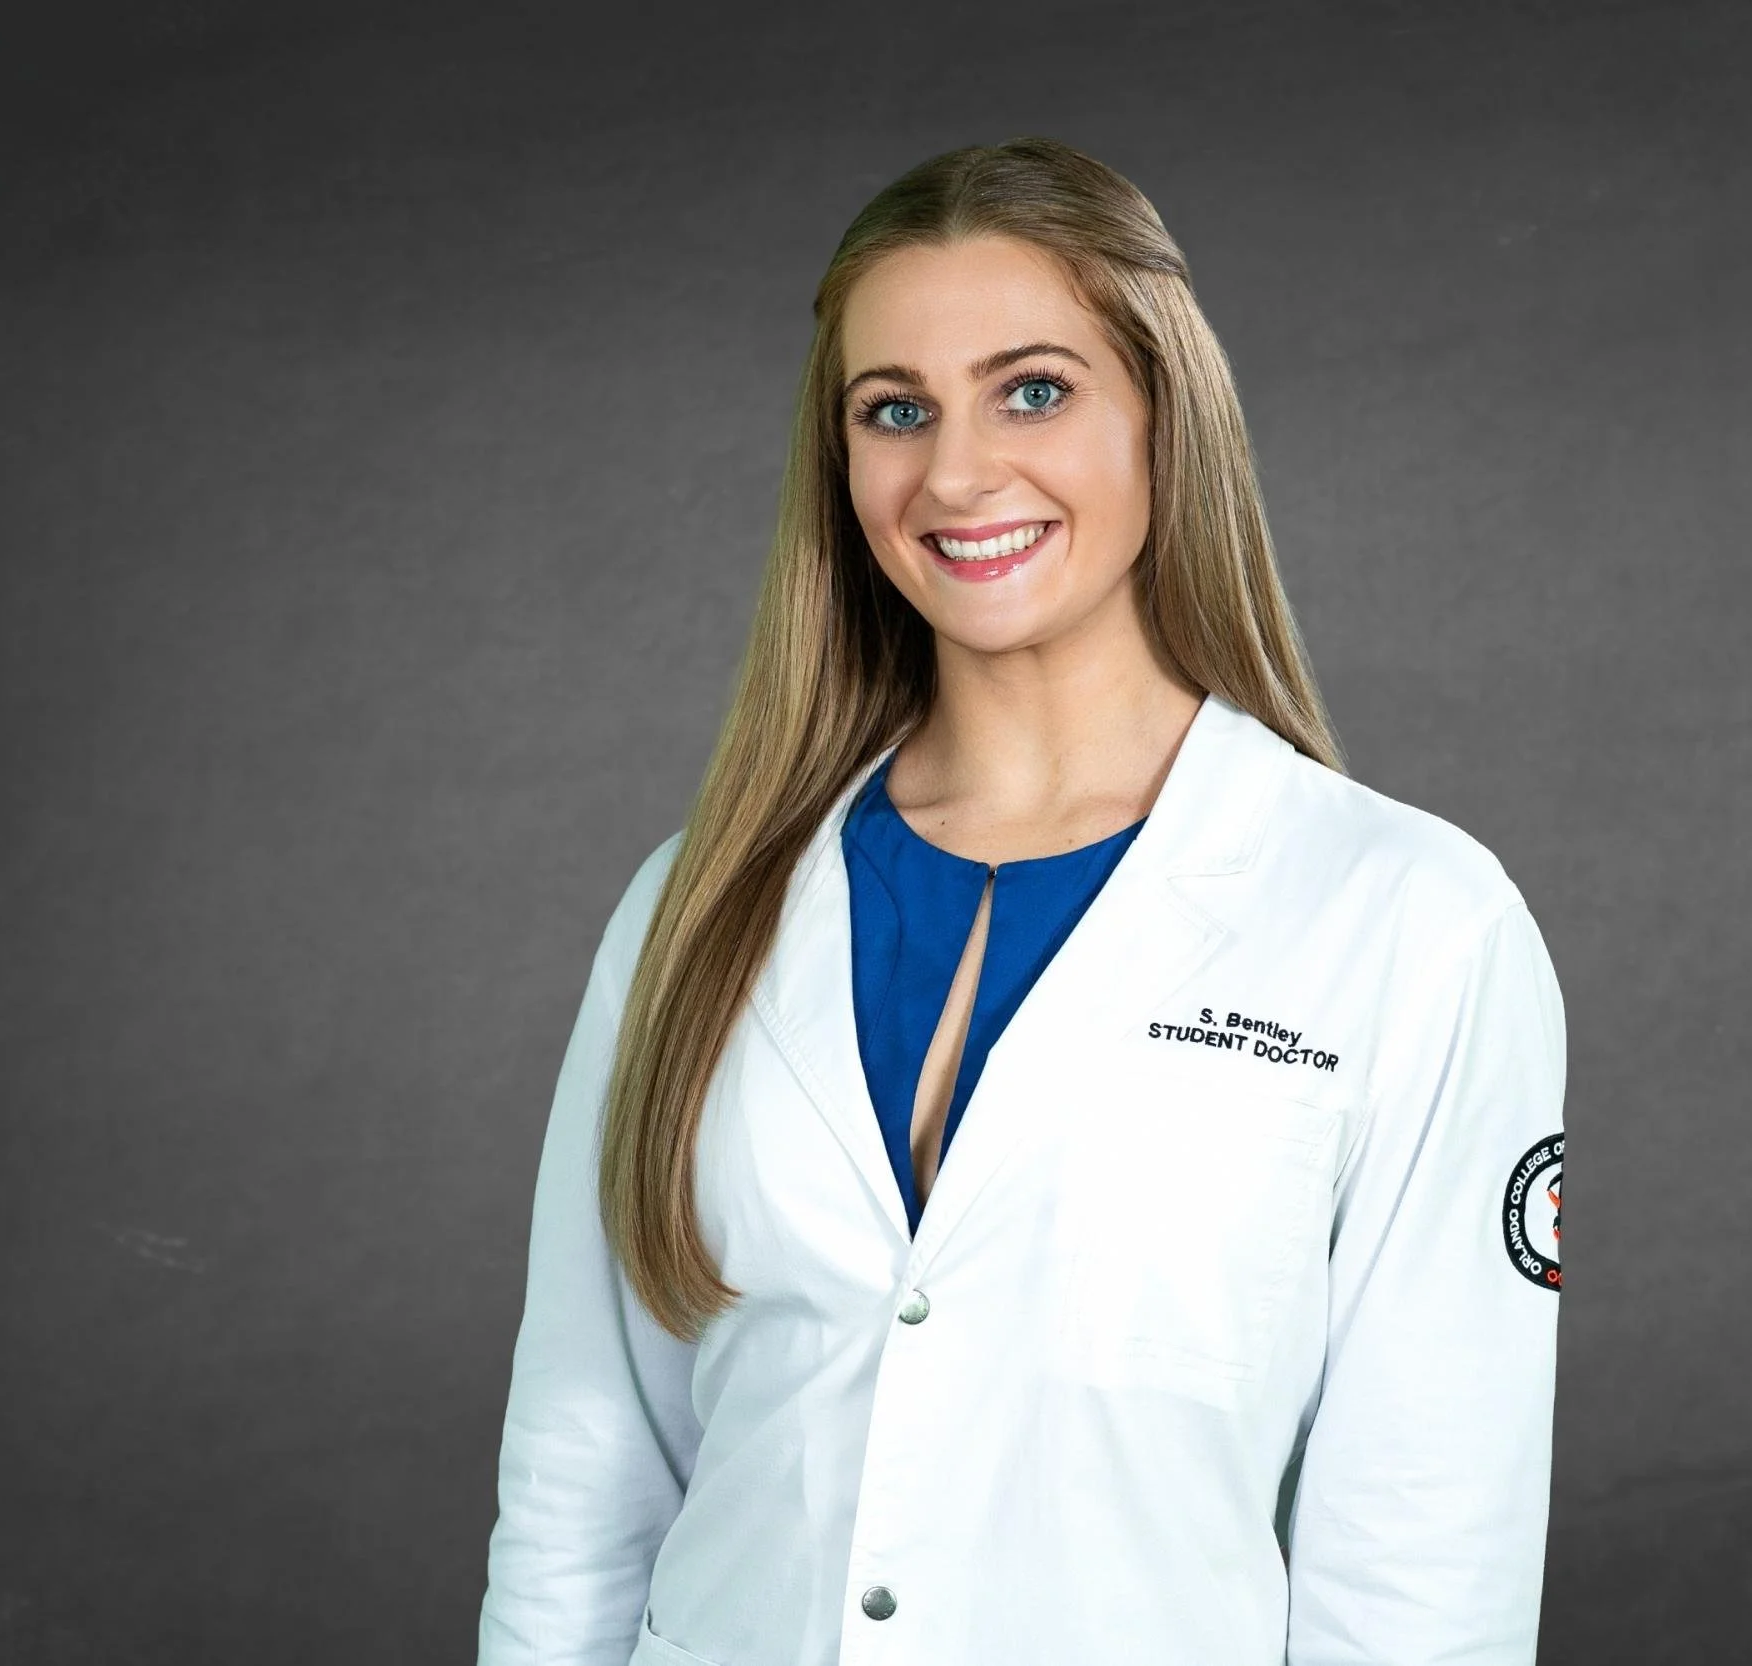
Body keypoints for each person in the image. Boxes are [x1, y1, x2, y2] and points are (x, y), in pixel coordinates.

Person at [477, 135, 1569, 1666]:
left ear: (1160, 419)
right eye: (895, 410)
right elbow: (584, 1478)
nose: (958, 471)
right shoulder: (694, 908)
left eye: (1034, 389)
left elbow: (1423, 1567)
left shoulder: (1407, 923)